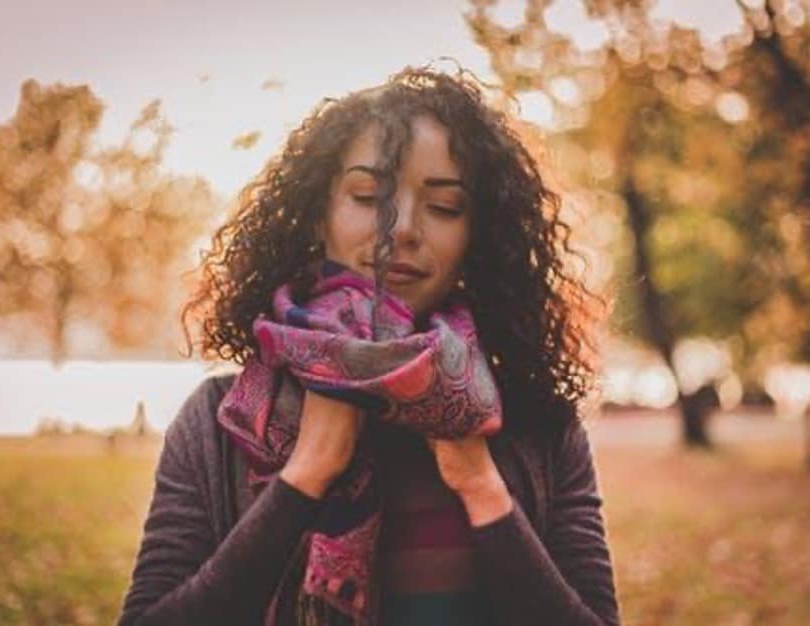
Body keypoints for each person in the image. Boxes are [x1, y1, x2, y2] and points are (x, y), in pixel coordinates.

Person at [117, 66, 621, 626]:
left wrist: (482, 489)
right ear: (318, 215)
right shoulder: (220, 422)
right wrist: (304, 477)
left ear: (478, 236)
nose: (401, 228)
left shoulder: (540, 428)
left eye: (444, 206)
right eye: (367, 195)